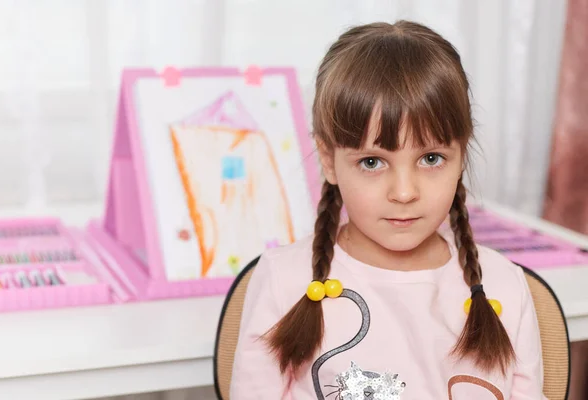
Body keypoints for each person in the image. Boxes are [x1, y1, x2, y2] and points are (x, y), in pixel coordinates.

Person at [230, 20, 545, 399]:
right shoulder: (283, 280)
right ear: (329, 159)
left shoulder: (504, 285)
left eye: (431, 158)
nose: (404, 192)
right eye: (372, 162)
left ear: (462, 154)